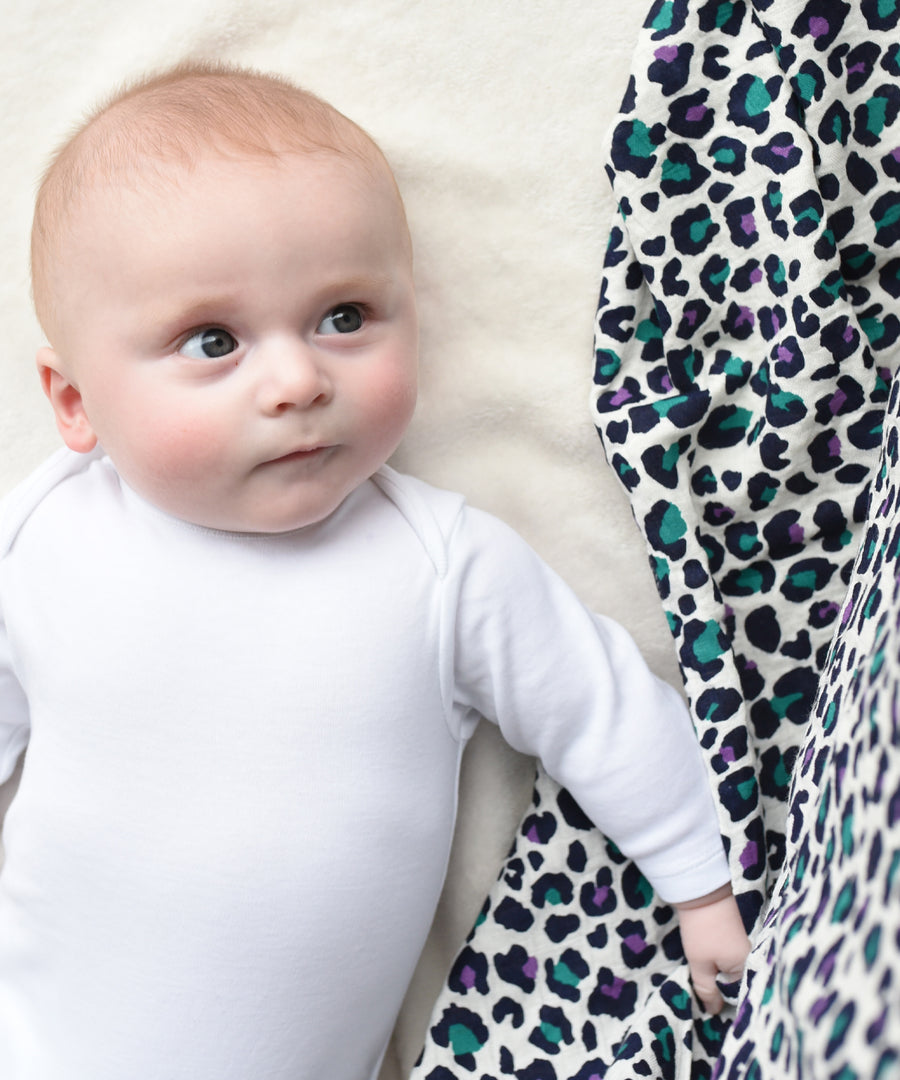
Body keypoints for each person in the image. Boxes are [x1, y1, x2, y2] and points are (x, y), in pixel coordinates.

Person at [0, 62, 749, 1079]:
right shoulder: (44, 538)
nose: (300, 379)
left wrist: (702, 884)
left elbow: (602, 706)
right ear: (75, 399)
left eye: (344, 317)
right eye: (213, 340)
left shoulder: (441, 564)